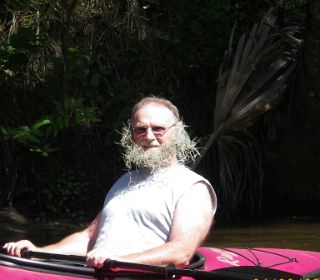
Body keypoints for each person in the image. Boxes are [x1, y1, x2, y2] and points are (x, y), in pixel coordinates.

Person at [3, 96, 217, 268]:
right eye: (140, 129)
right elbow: (88, 238)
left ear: (177, 132)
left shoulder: (193, 187)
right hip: (97, 274)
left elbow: (181, 252)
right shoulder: (125, 181)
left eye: (158, 129)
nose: (149, 136)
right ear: (131, 136)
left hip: (138, 279)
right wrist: (39, 252)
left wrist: (120, 261)